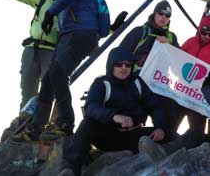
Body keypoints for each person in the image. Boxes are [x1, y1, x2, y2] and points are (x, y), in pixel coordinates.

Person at [14, 0, 102, 142]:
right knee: (48, 80)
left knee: (57, 75)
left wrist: (49, 13)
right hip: (71, 37)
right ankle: (35, 128)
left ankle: (65, 123)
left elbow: (68, 0)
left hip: (79, 36)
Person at [58, 47, 169, 176]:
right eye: (119, 64)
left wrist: (161, 127)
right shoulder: (102, 83)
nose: (124, 68)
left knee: (169, 133)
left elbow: (155, 106)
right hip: (108, 136)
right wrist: (113, 116)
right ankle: (70, 169)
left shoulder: (138, 83)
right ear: (111, 65)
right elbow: (91, 107)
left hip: (134, 135)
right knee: (87, 124)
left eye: (128, 64)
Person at [0, 0, 62, 111]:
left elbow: (88, 22)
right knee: (27, 92)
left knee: (50, 91)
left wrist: (112, 29)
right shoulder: (43, 0)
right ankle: (22, 125)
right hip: (31, 51)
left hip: (51, 53)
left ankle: (49, 124)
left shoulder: (72, 6)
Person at [120, 0, 182, 137]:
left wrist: (170, 46)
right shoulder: (140, 32)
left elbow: (179, 62)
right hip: (136, 84)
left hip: (159, 86)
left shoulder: (172, 37)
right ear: (154, 13)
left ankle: (166, 144)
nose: (164, 17)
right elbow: (120, 55)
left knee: (167, 119)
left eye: (167, 15)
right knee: (131, 122)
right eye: (161, 13)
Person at [180, 15, 210, 135]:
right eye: (204, 32)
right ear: (199, 29)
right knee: (172, 122)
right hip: (181, 92)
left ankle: (198, 152)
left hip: (200, 97)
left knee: (196, 130)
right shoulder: (190, 42)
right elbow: (177, 57)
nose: (207, 36)